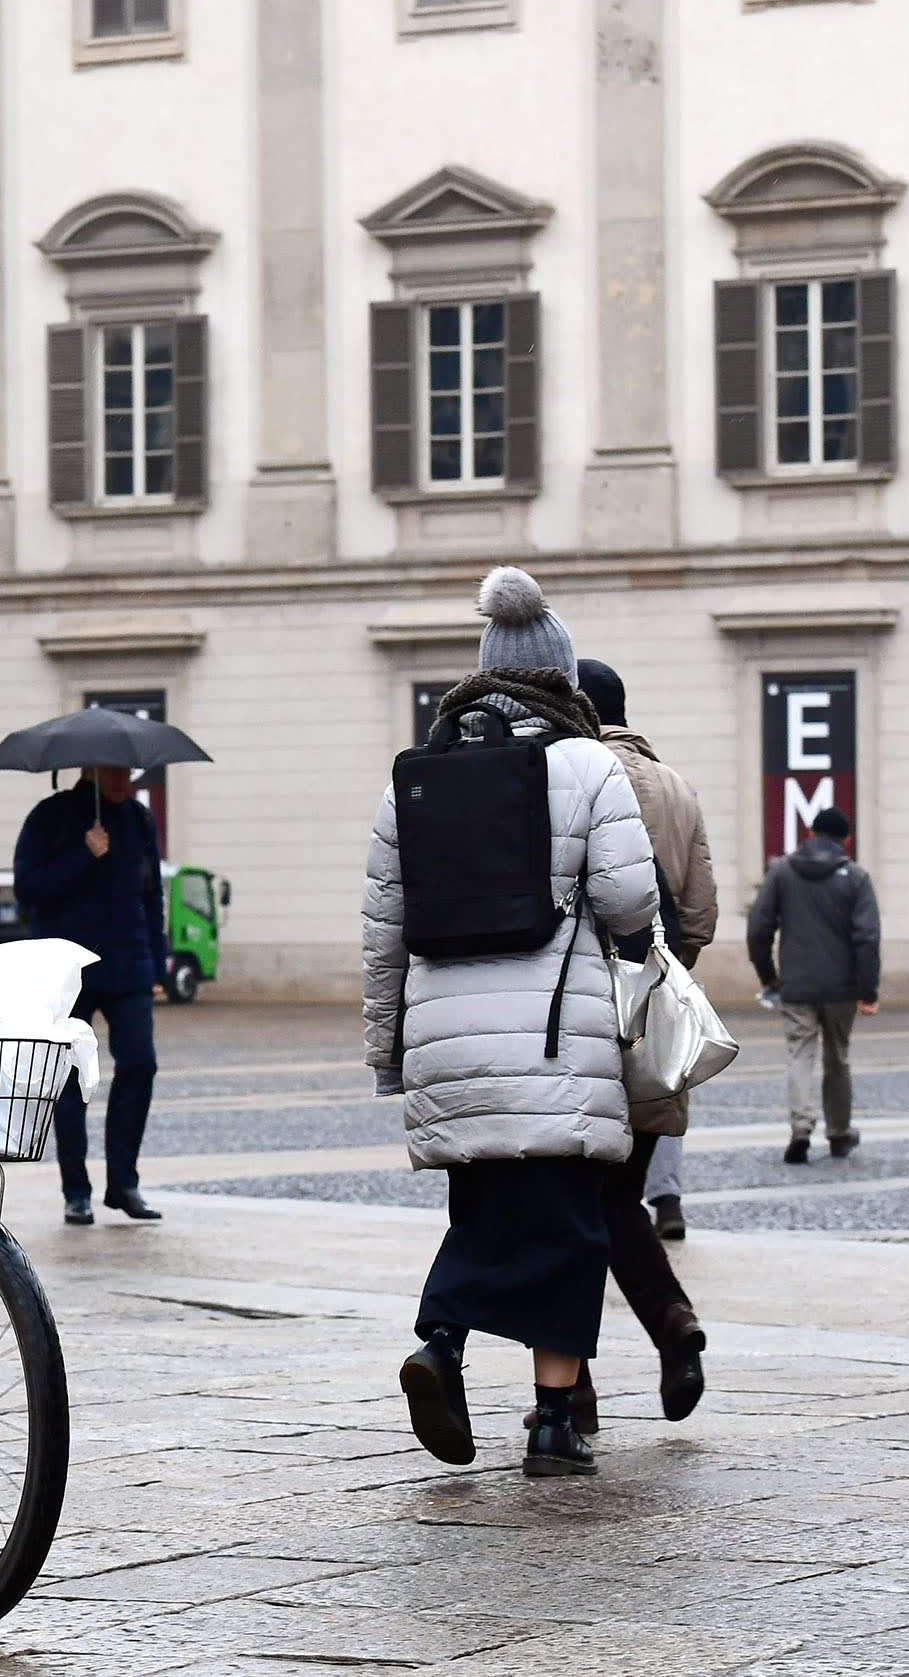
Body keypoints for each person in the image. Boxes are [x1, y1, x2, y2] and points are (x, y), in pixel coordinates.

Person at [365, 567, 657, 1479]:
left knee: (482, 1212)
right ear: (564, 680)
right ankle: (549, 1425)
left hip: (453, 1045)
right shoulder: (588, 765)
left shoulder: (415, 778)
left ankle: (441, 1345)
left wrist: (393, 1055)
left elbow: (382, 931)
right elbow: (628, 895)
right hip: (555, 1039)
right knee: (568, 1231)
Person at [575, 657, 715, 1420]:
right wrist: (658, 980)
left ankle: (575, 1393)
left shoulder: (574, 777)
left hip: (579, 1021)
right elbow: (699, 919)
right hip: (652, 1027)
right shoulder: (678, 786)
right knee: (619, 1200)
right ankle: (673, 1326)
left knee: (569, 1207)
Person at [16, 764, 168, 1225]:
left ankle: (124, 1183)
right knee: (69, 1080)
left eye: (128, 772)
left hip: (128, 965)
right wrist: (84, 853)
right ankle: (75, 1190)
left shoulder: (139, 820)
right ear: (90, 771)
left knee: (141, 1063)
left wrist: (157, 963)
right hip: (69, 970)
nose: (125, 780)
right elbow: (28, 888)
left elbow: (151, 894)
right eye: (115, 772)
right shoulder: (50, 816)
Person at [748, 805, 880, 1164]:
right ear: (846, 839)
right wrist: (868, 991)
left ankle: (801, 1129)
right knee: (838, 1056)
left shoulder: (782, 873)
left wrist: (769, 976)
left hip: (797, 983)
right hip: (842, 987)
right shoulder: (855, 877)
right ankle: (839, 1133)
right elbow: (866, 938)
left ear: (810, 833)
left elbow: (759, 929)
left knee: (799, 1054)